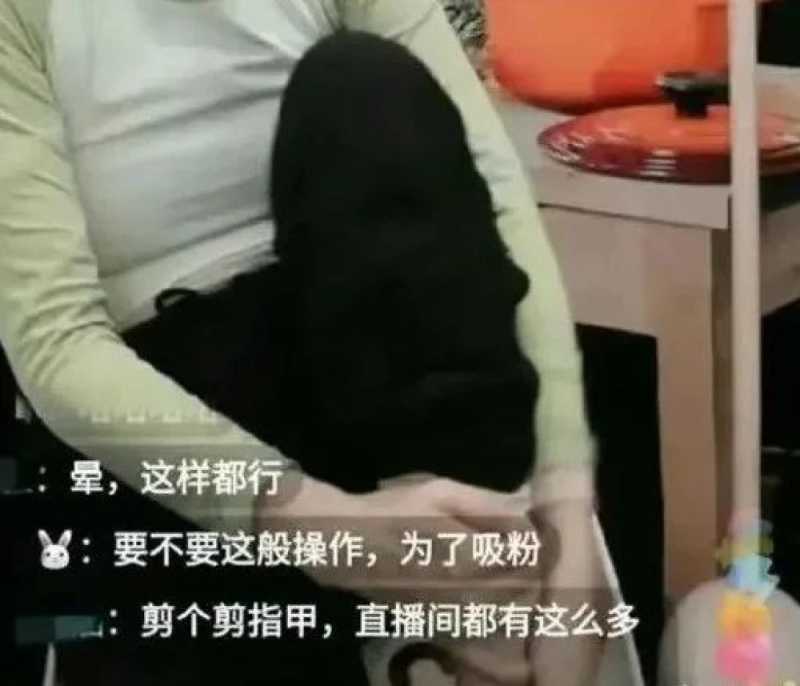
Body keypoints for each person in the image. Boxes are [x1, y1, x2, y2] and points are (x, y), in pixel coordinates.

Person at [0, 1, 603, 684]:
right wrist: (318, 528)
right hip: (168, 431)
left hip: (375, 369)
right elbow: (56, 344)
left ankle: (489, 601)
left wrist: (567, 515)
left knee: (365, 85)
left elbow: (488, 186)